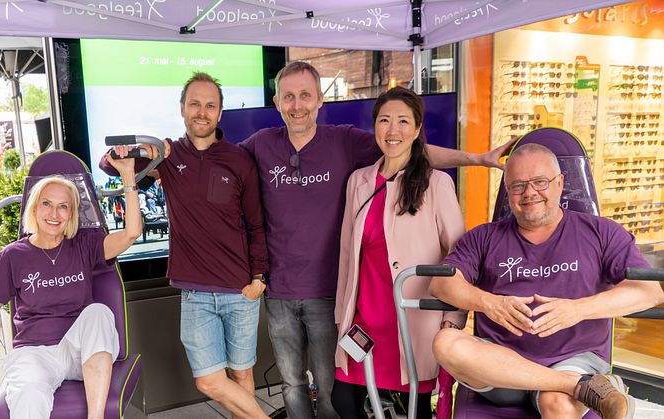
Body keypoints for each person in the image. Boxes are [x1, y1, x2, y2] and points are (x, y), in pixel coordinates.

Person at [238, 61, 514, 419]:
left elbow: (409, 154)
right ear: (277, 102)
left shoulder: (349, 143)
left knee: (343, 391)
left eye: (305, 95)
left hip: (376, 307)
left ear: (320, 99)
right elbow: (219, 160)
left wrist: (474, 159)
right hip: (323, 301)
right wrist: (170, 154)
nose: (297, 104)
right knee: (307, 388)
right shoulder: (344, 175)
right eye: (289, 97)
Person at [429, 143, 664, 419]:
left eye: (540, 182)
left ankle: (569, 384)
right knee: (445, 342)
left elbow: (649, 292)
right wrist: (489, 303)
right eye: (517, 186)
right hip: (501, 365)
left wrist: (578, 309)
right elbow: (441, 284)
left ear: (560, 182)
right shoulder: (484, 237)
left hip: (573, 358)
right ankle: (580, 387)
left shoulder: (601, 232)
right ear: (507, 191)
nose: (529, 193)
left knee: (557, 404)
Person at [100, 72, 270, 419]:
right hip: (195, 293)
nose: (202, 112)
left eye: (210, 105)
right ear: (182, 109)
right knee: (209, 381)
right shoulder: (168, 155)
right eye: (195, 104)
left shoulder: (239, 160)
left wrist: (260, 278)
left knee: (242, 376)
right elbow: (109, 167)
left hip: (240, 290)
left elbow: (256, 223)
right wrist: (134, 150)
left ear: (220, 113)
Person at [0, 146, 142, 419]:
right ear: (34, 207)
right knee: (29, 393)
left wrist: (128, 176)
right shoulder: (12, 256)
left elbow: (132, 233)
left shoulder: (84, 245)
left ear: (72, 214)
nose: (54, 213)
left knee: (99, 312)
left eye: (64, 207)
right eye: (47, 203)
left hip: (78, 350)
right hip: (34, 353)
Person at [331, 87, 467, 419]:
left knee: (412, 411)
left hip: (412, 323)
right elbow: (347, 257)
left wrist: (453, 321)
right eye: (385, 121)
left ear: (418, 129)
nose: (393, 131)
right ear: (374, 126)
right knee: (345, 400)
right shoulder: (358, 181)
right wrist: (341, 316)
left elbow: (460, 257)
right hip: (364, 320)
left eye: (403, 121)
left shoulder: (436, 184)